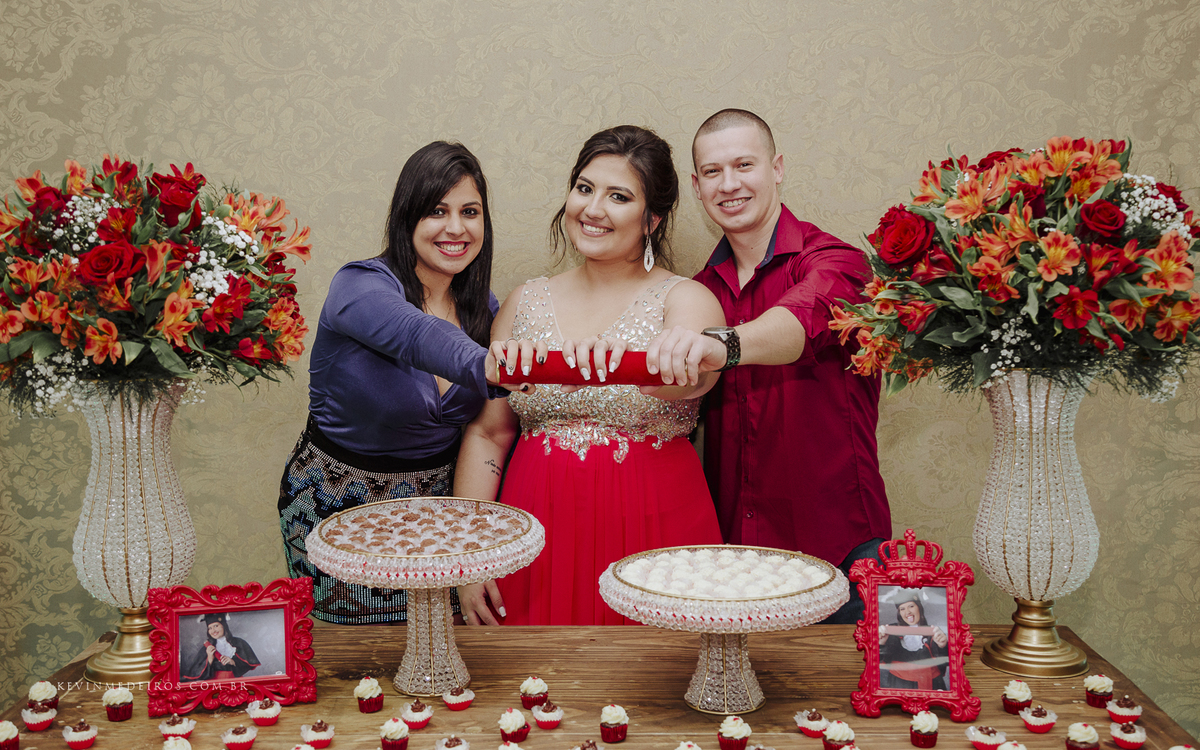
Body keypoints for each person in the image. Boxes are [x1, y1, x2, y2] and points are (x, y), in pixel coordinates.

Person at [453, 125, 725, 626]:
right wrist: (470, 551)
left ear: (652, 219)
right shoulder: (524, 302)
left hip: (653, 525)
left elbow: (692, 374)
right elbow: (489, 433)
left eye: (618, 196)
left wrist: (629, 364)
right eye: (584, 188)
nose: (593, 209)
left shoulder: (686, 299)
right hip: (534, 529)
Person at [645, 109, 890, 624]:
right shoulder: (699, 291)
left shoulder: (838, 262)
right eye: (712, 172)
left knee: (853, 677)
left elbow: (799, 322)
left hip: (841, 549)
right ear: (697, 186)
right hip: (736, 558)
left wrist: (722, 346)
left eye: (744, 165)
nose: (729, 184)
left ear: (776, 168)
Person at [278, 141, 501, 624]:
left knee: (442, 654)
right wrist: (491, 366)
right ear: (407, 215)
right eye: (437, 211)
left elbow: (492, 431)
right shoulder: (358, 286)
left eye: (470, 212)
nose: (456, 228)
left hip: (440, 518)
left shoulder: (487, 310)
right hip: (339, 507)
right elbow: (416, 334)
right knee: (357, 659)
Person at [878, 589, 949, 690]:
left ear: (919, 607)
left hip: (933, 684)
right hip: (900, 685)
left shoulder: (933, 631)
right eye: (902, 609)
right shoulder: (890, 631)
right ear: (899, 613)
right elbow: (878, 662)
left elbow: (946, 662)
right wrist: (881, 644)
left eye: (911, 606)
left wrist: (942, 646)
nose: (907, 612)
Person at [180, 613, 261, 682]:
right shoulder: (207, 647)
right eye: (210, 628)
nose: (213, 631)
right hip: (214, 683)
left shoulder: (239, 643)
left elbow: (248, 664)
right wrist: (210, 658)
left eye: (216, 626)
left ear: (224, 626)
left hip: (234, 681)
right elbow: (196, 673)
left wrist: (233, 662)